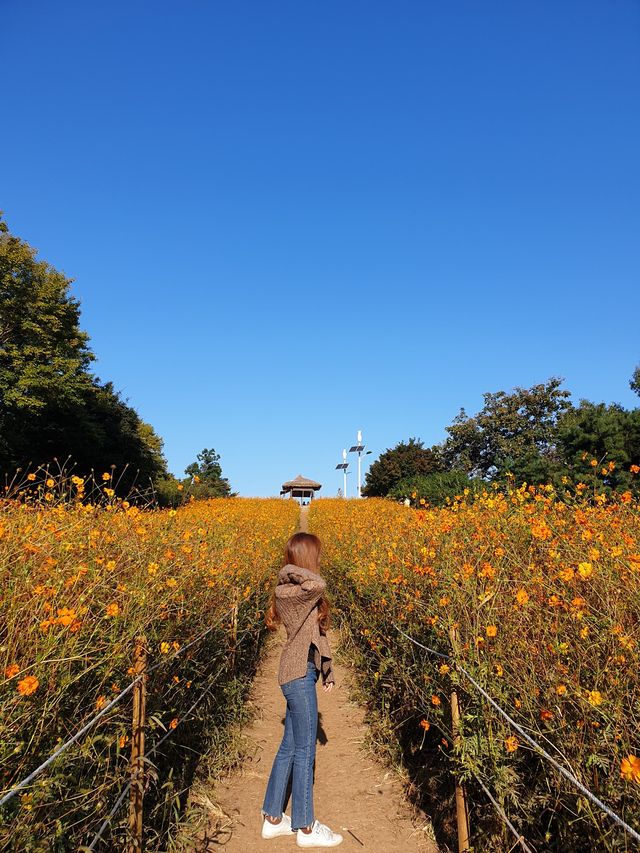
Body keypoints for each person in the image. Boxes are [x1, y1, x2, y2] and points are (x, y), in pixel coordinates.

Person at [260, 532, 343, 848]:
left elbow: (316, 636)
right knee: (305, 751)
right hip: (297, 675)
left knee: (290, 746)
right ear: (306, 559)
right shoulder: (288, 591)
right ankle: (306, 828)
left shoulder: (300, 592)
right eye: (316, 556)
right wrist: (287, 569)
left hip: (301, 672)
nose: (319, 563)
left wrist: (327, 670)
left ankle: (273, 819)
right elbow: (318, 584)